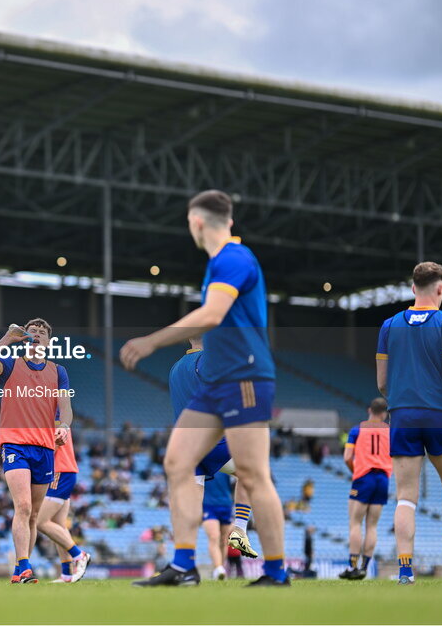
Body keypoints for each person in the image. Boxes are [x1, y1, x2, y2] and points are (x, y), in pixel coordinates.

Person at [122, 190, 286, 587]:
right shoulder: (220, 262)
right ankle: (182, 566)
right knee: (177, 462)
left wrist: (152, 341)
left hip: (244, 377)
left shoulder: (232, 259)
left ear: (196, 223)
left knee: (253, 473)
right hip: (217, 382)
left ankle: (276, 572)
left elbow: (212, 314)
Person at [376, 261, 442, 585]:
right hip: (440, 416)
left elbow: (381, 382)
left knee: (405, 496)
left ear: (412, 289)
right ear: (440, 288)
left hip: (403, 415)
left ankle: (405, 571)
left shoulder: (389, 326)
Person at [132, 335, 257, 587]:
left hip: (187, 445)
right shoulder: (209, 358)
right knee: (251, 472)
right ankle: (240, 528)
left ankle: (184, 564)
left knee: (186, 505)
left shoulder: (175, 368)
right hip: (216, 438)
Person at [0, 318, 73, 584]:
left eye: (43, 332)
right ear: (25, 337)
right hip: (15, 443)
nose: (38, 335)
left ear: (50, 342)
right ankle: (25, 566)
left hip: (45, 448)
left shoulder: (58, 371)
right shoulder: (11, 365)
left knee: (33, 513)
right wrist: (7, 339)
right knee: (24, 505)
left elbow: (65, 408)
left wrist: (63, 426)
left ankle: (21, 571)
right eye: (33, 332)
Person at [339, 397, 392, 581]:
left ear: (370, 410)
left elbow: (347, 457)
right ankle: (364, 567)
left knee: (355, 523)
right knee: (372, 526)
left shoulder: (357, 430)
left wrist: (356, 473)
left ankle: (352, 567)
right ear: (385, 413)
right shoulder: (390, 432)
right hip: (383, 479)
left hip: (363, 477)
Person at [36, 415, 91, 583]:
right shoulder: (58, 415)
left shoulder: (50, 416)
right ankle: (67, 574)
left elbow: (52, 446)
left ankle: (79, 555)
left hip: (59, 471)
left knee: (40, 521)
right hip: (65, 471)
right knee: (58, 525)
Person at [202, 473, 234, 581]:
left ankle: (219, 568)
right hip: (207, 504)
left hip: (226, 504)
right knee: (213, 536)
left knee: (223, 540)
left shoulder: (227, 460)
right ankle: (218, 569)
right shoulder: (202, 459)